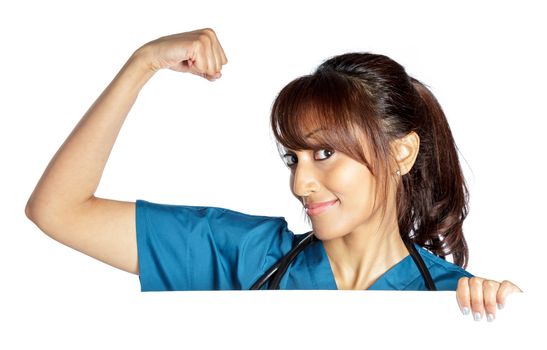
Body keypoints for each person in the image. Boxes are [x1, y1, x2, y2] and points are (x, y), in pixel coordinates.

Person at [25, 28, 521, 322]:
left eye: (324, 152)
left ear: (401, 153)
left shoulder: (454, 303)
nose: (299, 183)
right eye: (293, 157)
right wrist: (142, 63)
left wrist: (514, 323)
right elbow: (58, 210)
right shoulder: (245, 258)